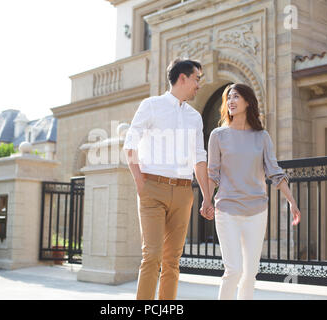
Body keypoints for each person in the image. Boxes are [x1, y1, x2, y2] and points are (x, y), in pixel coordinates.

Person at [123, 58, 213, 300]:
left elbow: (199, 157)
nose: (199, 85)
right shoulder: (151, 105)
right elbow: (130, 145)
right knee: (151, 255)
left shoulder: (195, 117)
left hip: (183, 193)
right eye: (197, 79)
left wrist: (206, 196)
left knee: (172, 260)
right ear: (182, 78)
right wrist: (142, 185)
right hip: (153, 189)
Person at [205, 83, 301, 300]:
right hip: (227, 210)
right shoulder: (218, 136)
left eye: (236, 96)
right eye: (228, 97)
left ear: (248, 102)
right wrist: (206, 201)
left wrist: (292, 202)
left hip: (257, 211)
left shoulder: (262, 136)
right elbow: (213, 174)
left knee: (250, 274)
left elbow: (275, 172)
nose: (230, 101)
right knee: (234, 270)